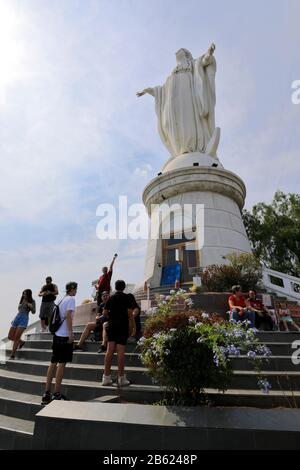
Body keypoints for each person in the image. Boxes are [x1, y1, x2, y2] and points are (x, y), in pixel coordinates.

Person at [41, 281, 77, 405]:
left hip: (56, 335)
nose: (76, 291)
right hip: (64, 336)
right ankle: (57, 393)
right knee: (61, 364)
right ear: (72, 289)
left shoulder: (61, 299)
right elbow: (68, 316)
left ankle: (46, 394)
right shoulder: (71, 299)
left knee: (53, 363)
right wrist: (71, 333)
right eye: (76, 289)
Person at [101, 280, 135, 386]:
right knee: (120, 353)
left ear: (115, 287)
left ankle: (106, 377)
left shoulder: (110, 298)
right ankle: (121, 378)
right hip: (122, 326)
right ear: (124, 287)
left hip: (112, 326)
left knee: (109, 351)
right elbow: (130, 314)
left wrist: (111, 316)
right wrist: (132, 327)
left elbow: (104, 313)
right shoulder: (127, 298)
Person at [8, 289, 36, 359]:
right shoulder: (22, 299)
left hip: (24, 318)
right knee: (10, 336)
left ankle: (12, 355)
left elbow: (34, 312)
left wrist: (30, 306)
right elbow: (19, 309)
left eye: (25, 294)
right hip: (17, 317)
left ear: (29, 294)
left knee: (16, 337)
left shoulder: (32, 301)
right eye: (23, 294)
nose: (24, 295)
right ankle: (22, 342)